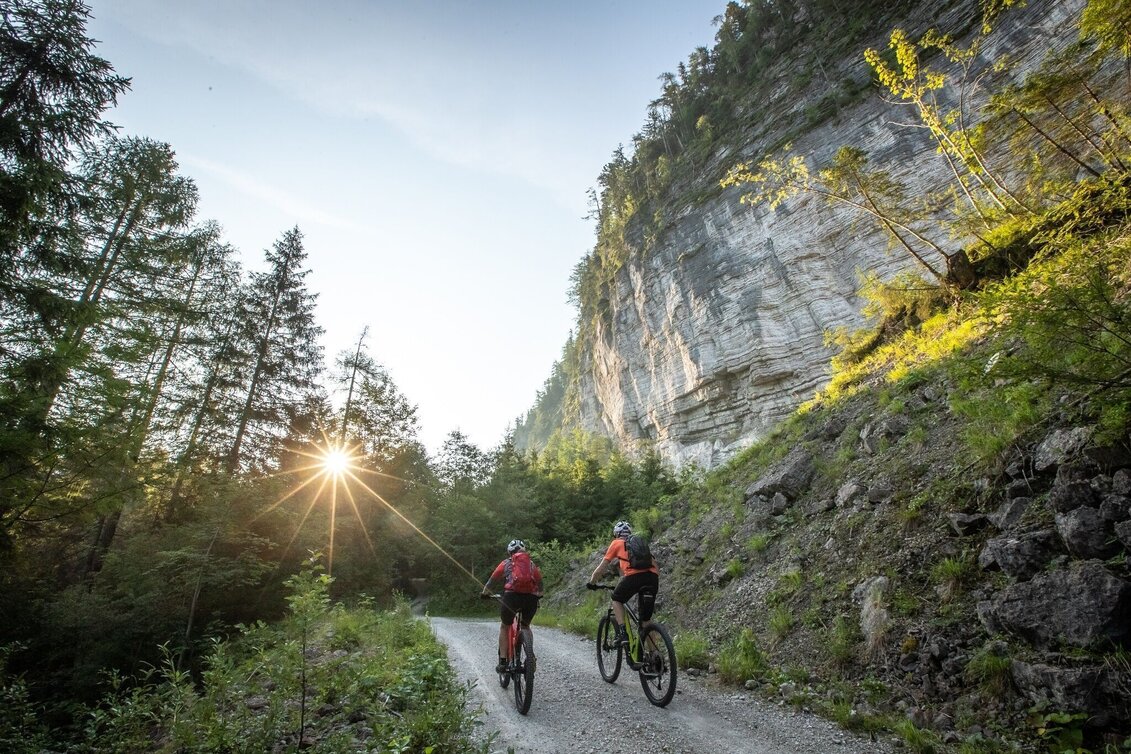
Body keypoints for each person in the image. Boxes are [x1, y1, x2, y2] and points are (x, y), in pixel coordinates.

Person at [587, 520, 658, 646]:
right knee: (646, 621)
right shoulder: (638, 542)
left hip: (634, 577)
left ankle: (622, 634)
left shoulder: (616, 543)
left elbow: (602, 568)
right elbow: (655, 565)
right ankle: (656, 656)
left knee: (616, 599)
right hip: (652, 578)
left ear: (616, 534)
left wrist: (592, 582)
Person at [481, 538, 543, 673]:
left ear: (510, 552)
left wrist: (485, 593)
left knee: (505, 625)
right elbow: (539, 581)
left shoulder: (506, 563)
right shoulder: (531, 564)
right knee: (526, 626)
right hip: (530, 599)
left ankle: (503, 662)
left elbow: (492, 580)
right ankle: (530, 655)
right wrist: (539, 594)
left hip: (511, 597)